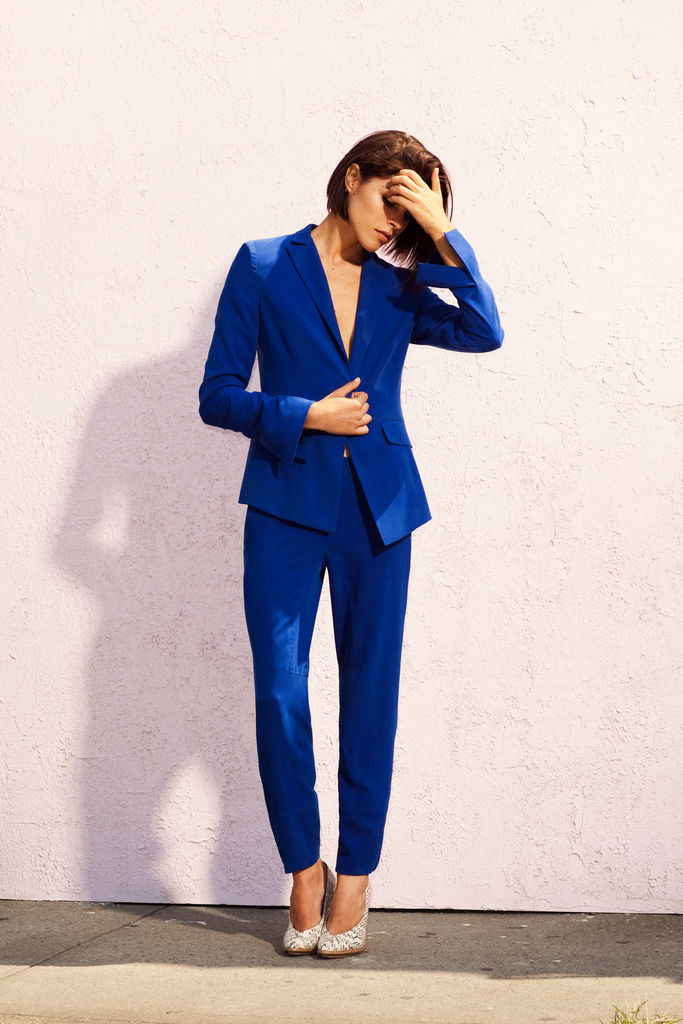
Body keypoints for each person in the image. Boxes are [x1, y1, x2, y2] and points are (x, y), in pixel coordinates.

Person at [198, 129, 504, 957]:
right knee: (279, 690)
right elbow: (217, 394)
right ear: (352, 177)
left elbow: (484, 330)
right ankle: (304, 868)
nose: (392, 224)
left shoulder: (401, 285)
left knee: (371, 691)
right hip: (285, 506)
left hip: (380, 509)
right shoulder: (264, 264)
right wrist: (304, 414)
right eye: (389, 200)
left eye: (411, 215)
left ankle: (358, 876)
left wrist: (441, 231)